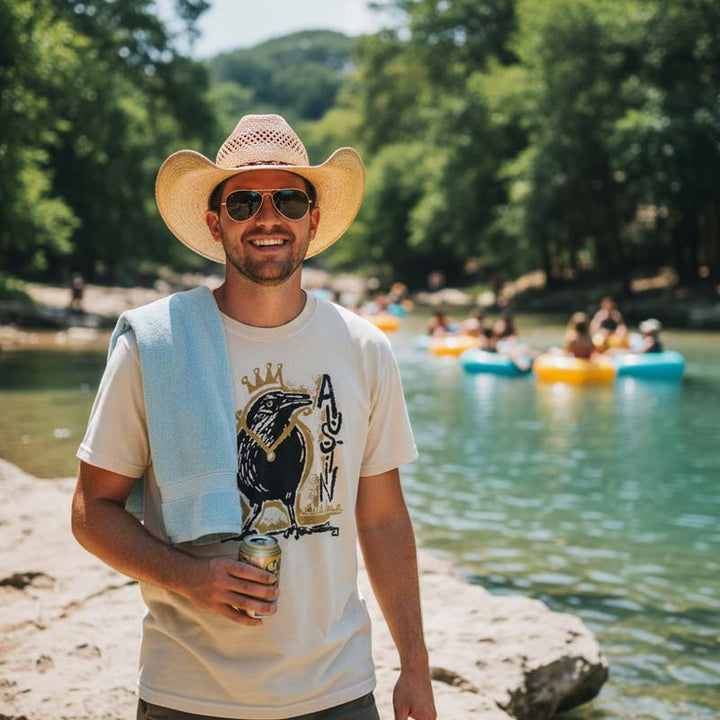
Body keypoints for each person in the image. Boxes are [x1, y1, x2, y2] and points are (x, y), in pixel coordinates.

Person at [71, 114, 436, 720]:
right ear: (216, 223)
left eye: (289, 198)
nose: (268, 218)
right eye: (243, 202)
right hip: (186, 694)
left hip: (338, 691)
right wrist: (187, 576)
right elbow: (90, 511)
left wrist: (415, 669)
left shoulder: (364, 347)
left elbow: (383, 520)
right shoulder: (156, 345)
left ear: (312, 220)